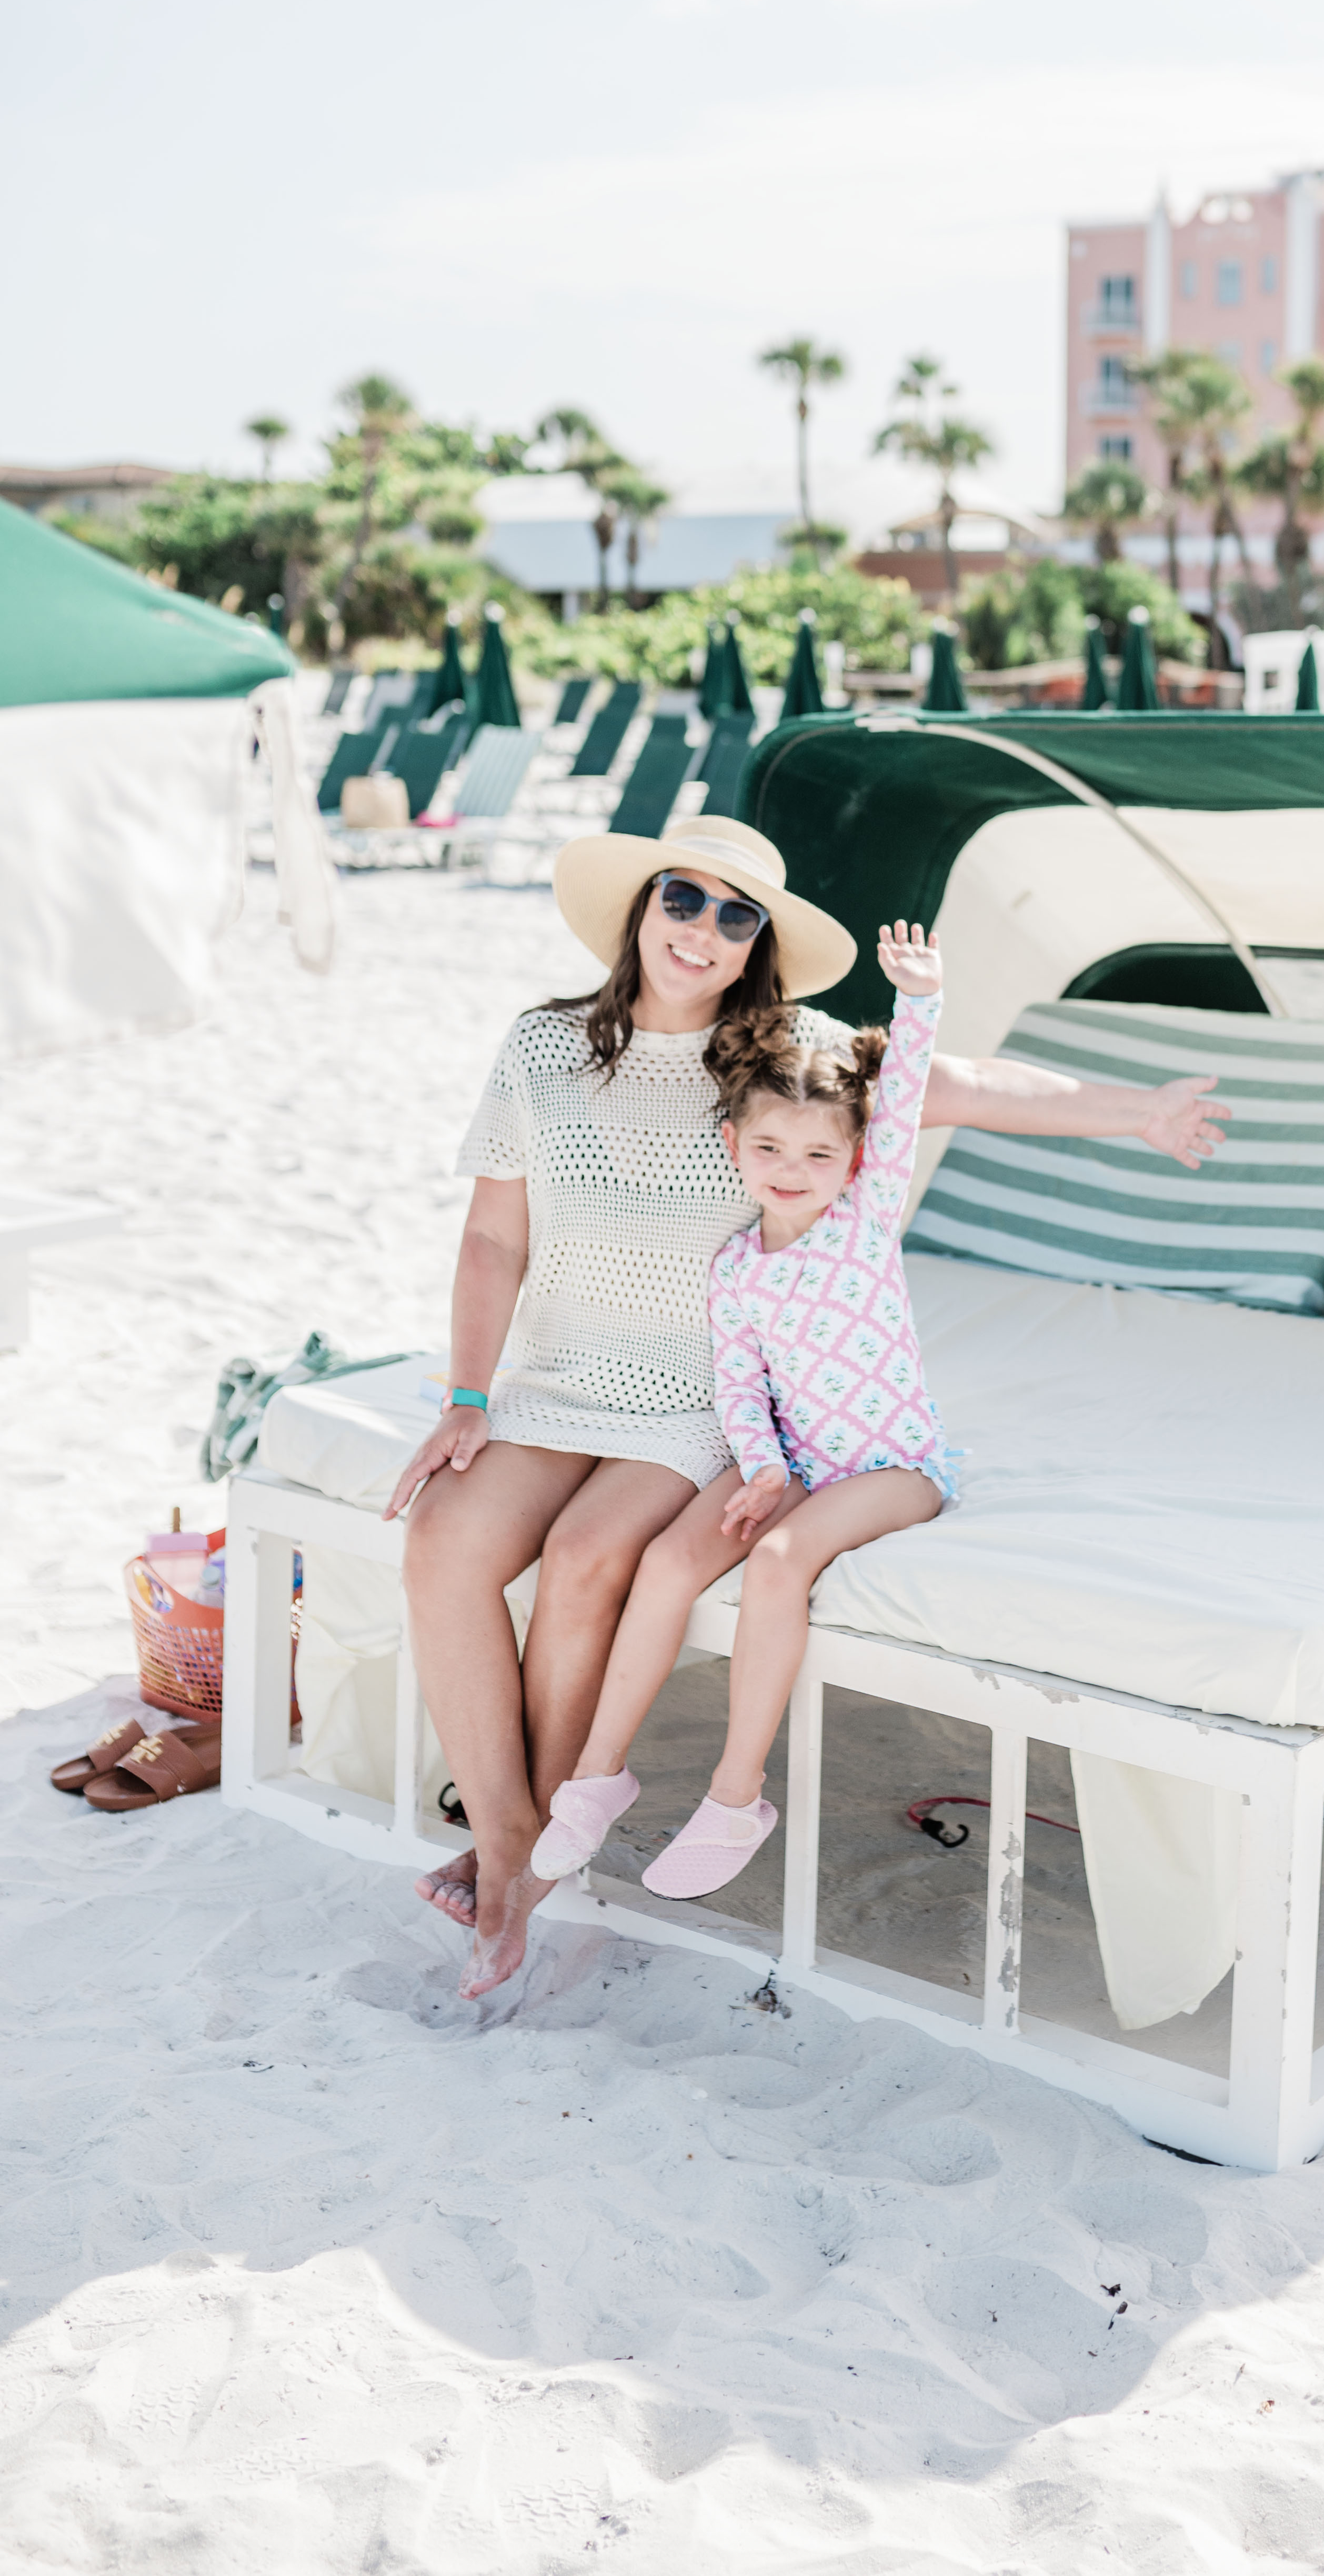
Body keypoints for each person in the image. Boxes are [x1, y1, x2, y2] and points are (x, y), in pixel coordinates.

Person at [387, 818, 1229, 2001]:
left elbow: (966, 1084)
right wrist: (468, 1394)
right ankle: (512, 1837)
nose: (704, 931)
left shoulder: (778, 1055)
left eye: (739, 918)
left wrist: (1133, 1111)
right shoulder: (539, 1048)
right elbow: (491, 1233)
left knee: (584, 1559)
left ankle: (512, 1864)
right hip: (554, 1383)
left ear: (757, 949)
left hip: (699, 1400)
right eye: (685, 899)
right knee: (442, 1538)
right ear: (640, 905)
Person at [530, 917, 955, 1898]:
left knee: (776, 1559)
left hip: (890, 1466)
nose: (790, 1170)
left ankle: (734, 1794)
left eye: (817, 1152)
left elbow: (905, 1098)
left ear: (854, 1159)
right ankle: (597, 1777)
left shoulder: (859, 1221)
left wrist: (918, 1001)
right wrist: (762, 1467)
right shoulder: (734, 1267)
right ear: (733, 1144)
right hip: (793, 1461)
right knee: (669, 1558)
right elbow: (741, 1387)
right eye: (768, 1146)